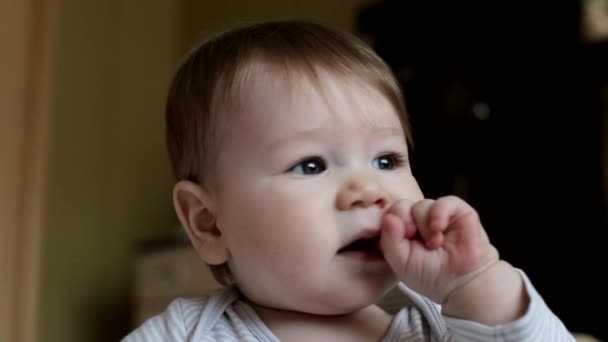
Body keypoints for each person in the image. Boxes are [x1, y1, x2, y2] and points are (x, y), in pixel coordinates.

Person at [122, 20, 574, 341]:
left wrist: (476, 285)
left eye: (386, 160)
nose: (369, 191)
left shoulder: (443, 323)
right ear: (209, 224)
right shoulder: (184, 334)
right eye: (311, 165)